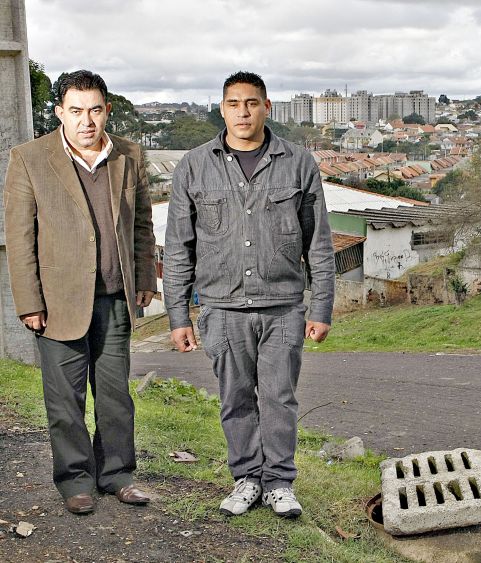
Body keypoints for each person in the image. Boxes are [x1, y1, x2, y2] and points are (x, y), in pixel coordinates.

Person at [163, 71, 334, 518]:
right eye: (234, 103)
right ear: (222, 109)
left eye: (252, 103)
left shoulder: (298, 163)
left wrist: (321, 307)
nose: (243, 111)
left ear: (267, 107)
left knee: (280, 398)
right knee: (235, 399)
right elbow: (179, 246)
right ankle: (246, 479)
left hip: (282, 308)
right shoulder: (194, 166)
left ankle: (279, 483)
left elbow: (318, 243)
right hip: (221, 309)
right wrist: (177, 316)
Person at [3, 70, 157, 515]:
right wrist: (29, 302)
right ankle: (75, 481)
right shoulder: (29, 158)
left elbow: (142, 225)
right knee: (65, 401)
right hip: (57, 304)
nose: (86, 121)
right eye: (75, 111)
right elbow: (20, 238)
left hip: (115, 298)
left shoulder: (129, 155)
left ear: (106, 110)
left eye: (94, 110)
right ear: (59, 113)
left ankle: (118, 475)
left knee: (115, 397)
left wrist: (144, 278)